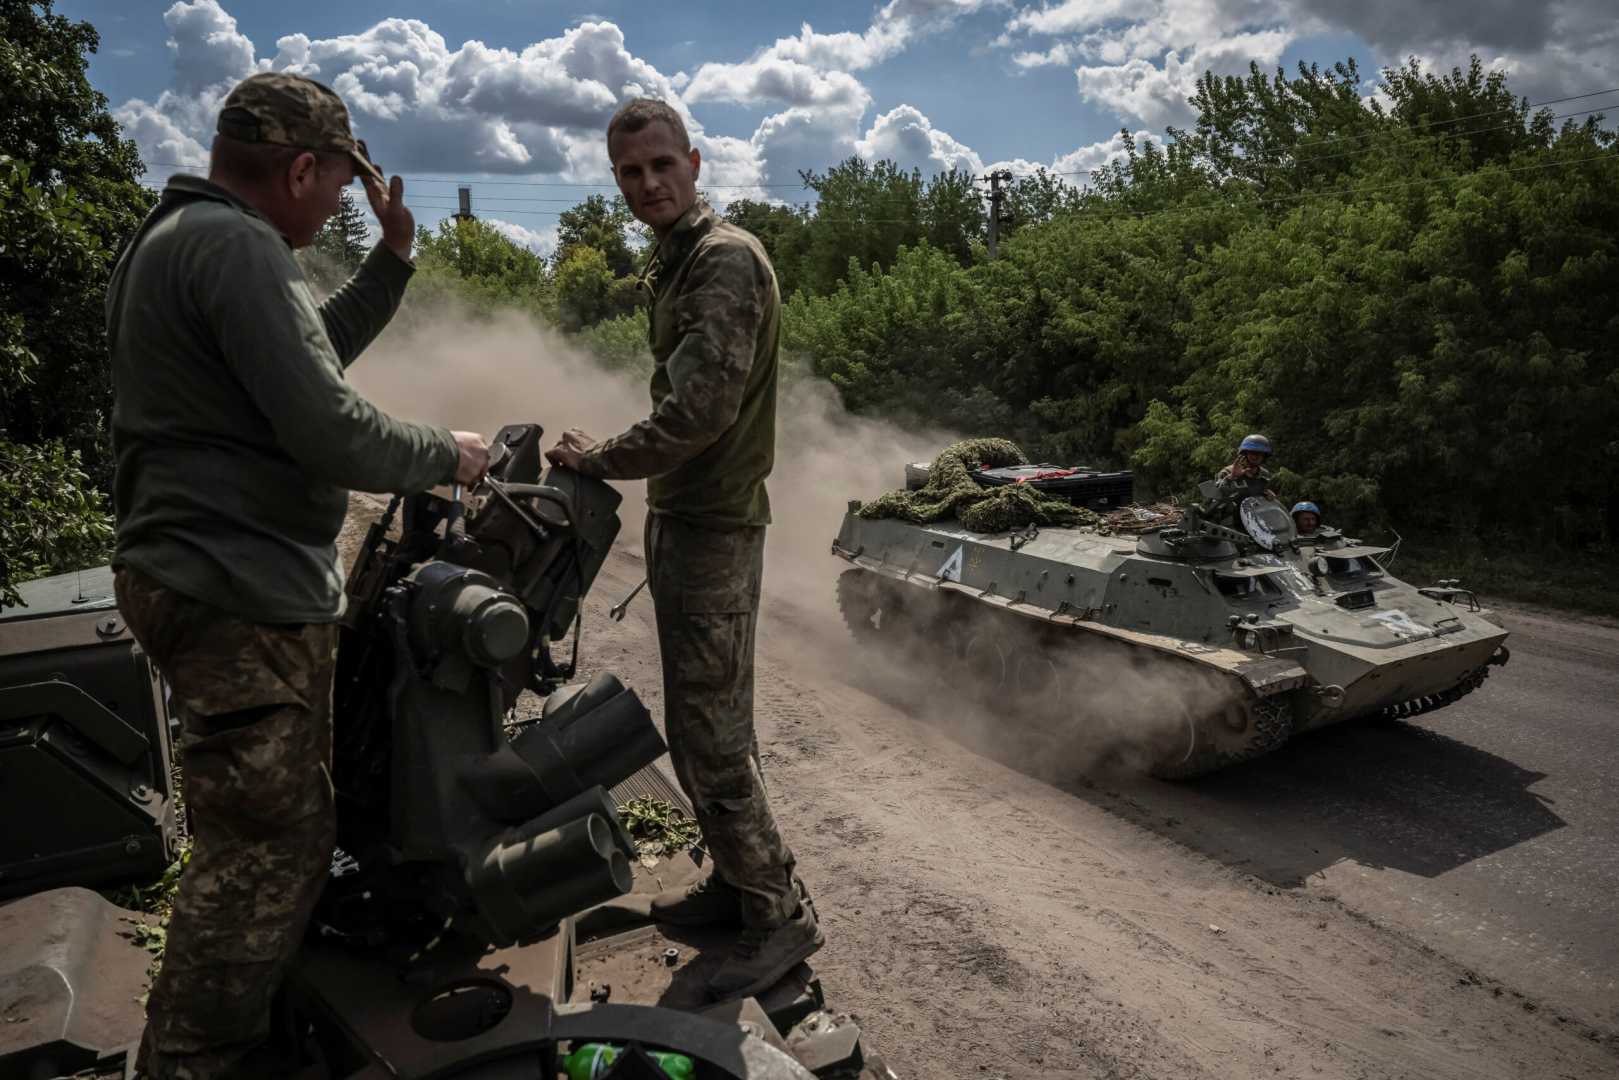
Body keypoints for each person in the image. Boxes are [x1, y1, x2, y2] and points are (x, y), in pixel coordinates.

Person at [106, 72, 489, 1078]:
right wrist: (444, 453)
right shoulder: (237, 246)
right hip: (233, 591)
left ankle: (253, 1037)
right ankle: (194, 1060)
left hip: (212, 579)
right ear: (303, 167)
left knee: (284, 831)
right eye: (334, 186)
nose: (336, 208)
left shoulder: (186, 237)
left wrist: (396, 261)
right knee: (261, 853)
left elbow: (303, 357)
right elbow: (323, 422)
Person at [545, 98, 820, 1001]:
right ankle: (738, 887)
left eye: (662, 165)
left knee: (710, 738)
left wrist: (603, 459)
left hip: (712, 524)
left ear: (695, 163)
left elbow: (699, 412)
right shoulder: (679, 260)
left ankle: (776, 914)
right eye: (630, 172)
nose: (647, 184)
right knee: (700, 724)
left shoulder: (722, 261)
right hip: (688, 518)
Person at [1215, 433, 1277, 502]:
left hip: (1252, 512)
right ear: (1245, 453)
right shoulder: (1228, 471)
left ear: (1264, 456)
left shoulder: (1265, 476)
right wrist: (1231, 477)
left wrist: (1268, 497)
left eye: (1259, 453)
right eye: (1252, 452)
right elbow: (1217, 494)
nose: (1255, 457)